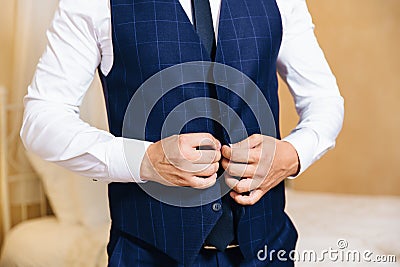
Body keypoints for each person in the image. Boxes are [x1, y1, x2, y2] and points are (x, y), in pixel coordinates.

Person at [20, 0, 344, 266]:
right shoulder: (93, 4)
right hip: (148, 254)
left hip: (269, 249)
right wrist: (144, 161)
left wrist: (293, 155)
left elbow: (324, 100)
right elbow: (41, 117)